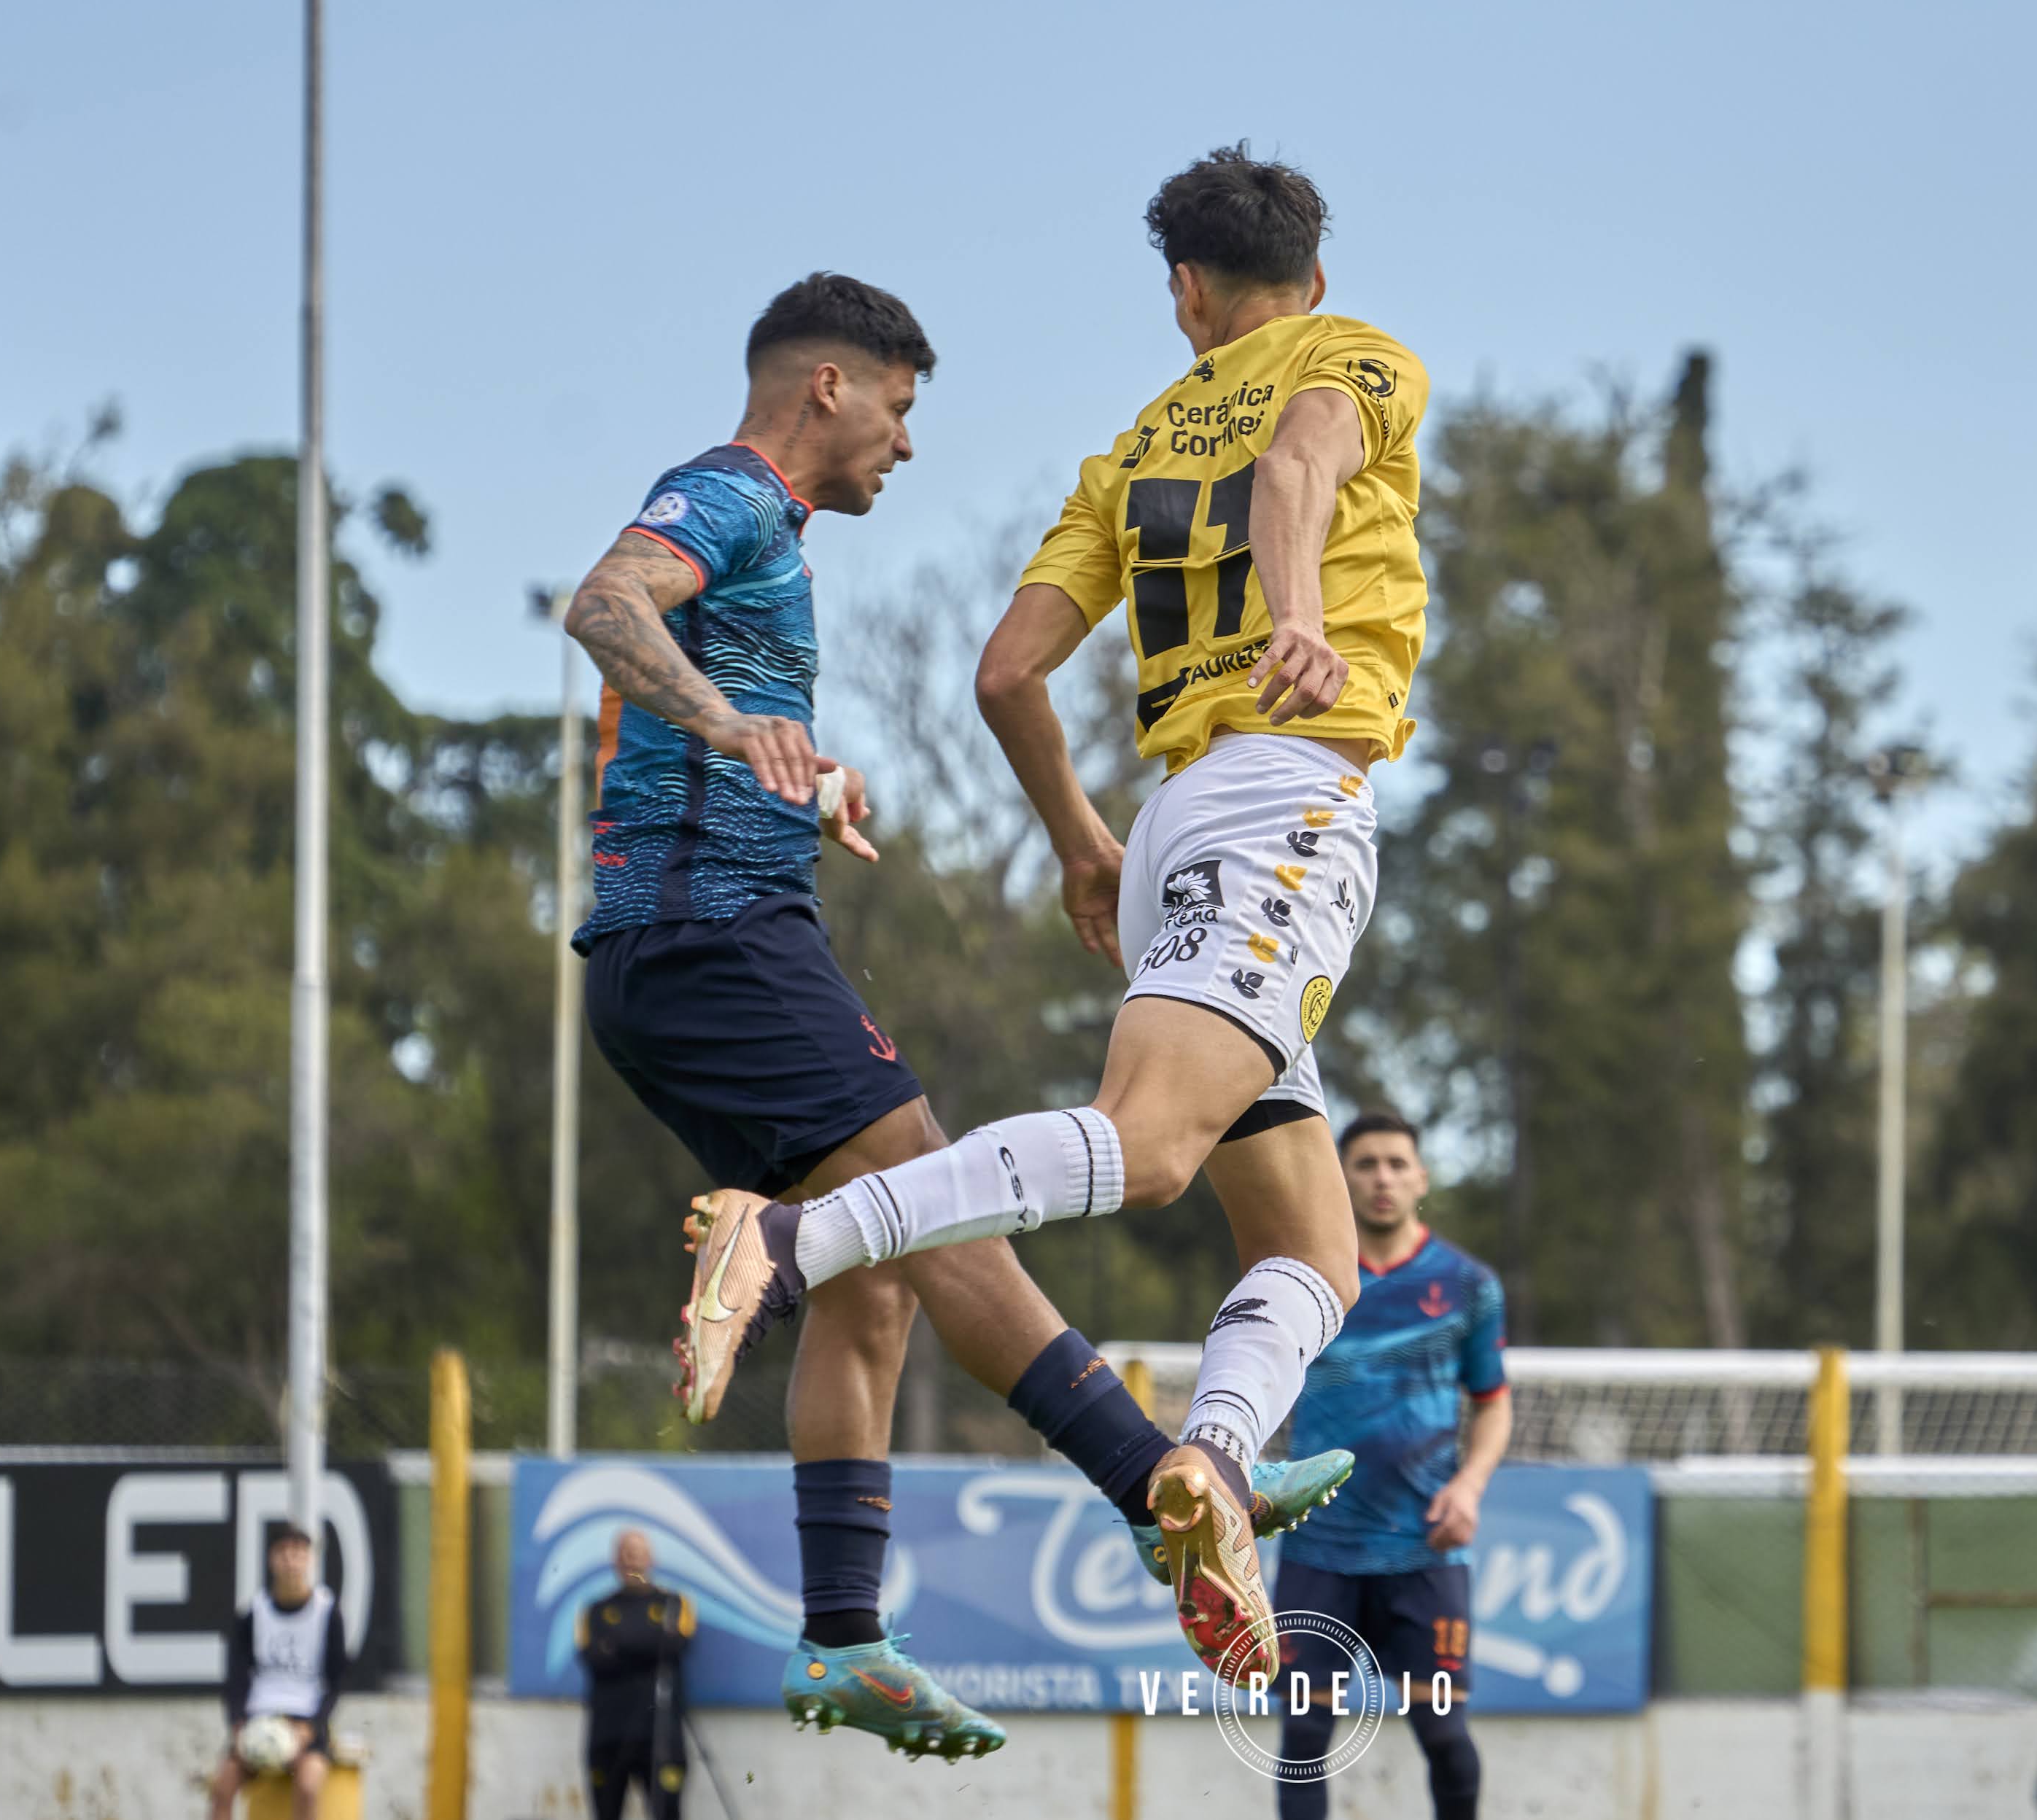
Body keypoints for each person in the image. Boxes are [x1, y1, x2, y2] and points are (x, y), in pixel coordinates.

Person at [563, 272, 1345, 1758]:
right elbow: (603, 605)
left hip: (682, 948)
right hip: (712, 941)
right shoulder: (730, 493)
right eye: (901, 406)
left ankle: (844, 1637)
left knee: (879, 1277)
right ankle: (1160, 1487)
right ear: (831, 386)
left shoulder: (764, 533)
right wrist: (730, 723)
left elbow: (692, 704)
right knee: (934, 1204)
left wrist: (797, 774)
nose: (907, 442)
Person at [679, 147, 1427, 1685]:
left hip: (1176, 827)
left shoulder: (1134, 447)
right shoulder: (1355, 354)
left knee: (1314, 1249)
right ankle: (795, 1237)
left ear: (1185, 292)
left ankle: (1209, 1462)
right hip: (1284, 800)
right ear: (1311, 279)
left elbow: (1007, 673)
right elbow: (1298, 466)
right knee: (1147, 1150)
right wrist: (1299, 616)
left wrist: (1086, 847)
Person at [1273, 1110, 1508, 1820]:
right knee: (1304, 1736)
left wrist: (1469, 1486)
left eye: (1397, 1164)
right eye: (1366, 1163)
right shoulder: (1305, 1280)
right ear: (1340, 1177)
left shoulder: (1467, 1285)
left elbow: (1492, 1404)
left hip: (1422, 1548)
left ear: (1421, 1178)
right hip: (1317, 1547)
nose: (1382, 1178)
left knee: (1444, 1735)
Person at [206, 1522, 340, 1820]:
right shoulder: (254, 1612)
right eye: (284, 1553)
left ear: (310, 1559)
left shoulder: (327, 1611)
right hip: (260, 1719)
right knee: (222, 1787)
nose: (291, 1561)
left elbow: (336, 1679)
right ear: (272, 1559)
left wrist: (312, 1727)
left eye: (299, 1553)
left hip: (305, 1721)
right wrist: (238, 1723)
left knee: (307, 1787)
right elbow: (236, 1677)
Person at [576, 1528, 694, 1820]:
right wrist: (650, 1641)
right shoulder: (595, 1610)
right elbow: (593, 1658)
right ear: (616, 1560)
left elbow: (674, 1647)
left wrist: (616, 1643)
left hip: (660, 1735)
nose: (633, 1561)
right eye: (626, 1554)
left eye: (639, 1554)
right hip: (608, 1736)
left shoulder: (674, 1604)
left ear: (651, 1559)